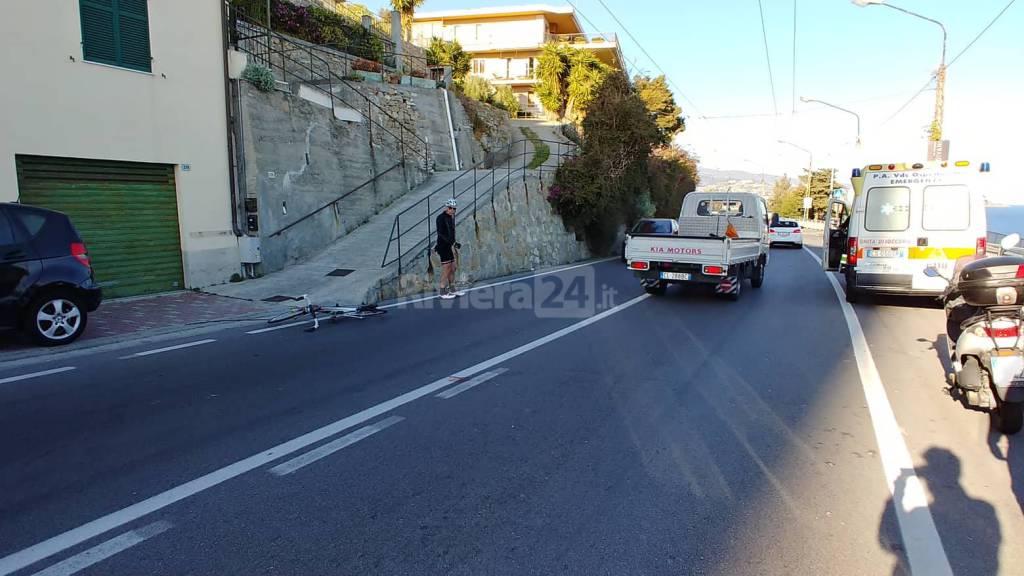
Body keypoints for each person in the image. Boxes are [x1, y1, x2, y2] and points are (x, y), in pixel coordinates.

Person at [435, 198, 463, 299]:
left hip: (449, 245)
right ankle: (442, 291)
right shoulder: (440, 218)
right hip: (442, 246)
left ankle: (452, 289)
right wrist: (453, 242)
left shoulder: (450, 218)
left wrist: (454, 242)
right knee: (446, 268)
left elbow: (451, 233)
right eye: (450, 208)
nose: (452, 210)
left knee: (452, 268)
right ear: (447, 207)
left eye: (454, 208)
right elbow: (441, 233)